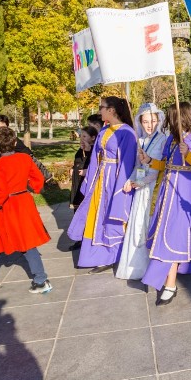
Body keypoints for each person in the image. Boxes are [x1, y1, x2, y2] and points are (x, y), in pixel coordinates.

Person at [0, 127, 53, 294]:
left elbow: (0, 192)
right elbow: (38, 180)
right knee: (27, 242)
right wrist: (30, 188)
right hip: (24, 203)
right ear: (15, 142)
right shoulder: (25, 158)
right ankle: (40, 280)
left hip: (7, 207)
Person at [141, 102, 191, 305]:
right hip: (167, 189)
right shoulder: (172, 139)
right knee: (182, 232)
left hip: (185, 193)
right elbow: (165, 164)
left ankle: (170, 284)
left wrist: (188, 154)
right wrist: (148, 161)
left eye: (171, 117)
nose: (167, 121)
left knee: (174, 234)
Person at [67, 97, 137, 272]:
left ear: (112, 110)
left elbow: (127, 162)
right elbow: (97, 156)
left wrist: (120, 187)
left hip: (115, 180)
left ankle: (113, 254)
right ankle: (99, 255)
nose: (99, 111)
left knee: (111, 217)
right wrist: (91, 179)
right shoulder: (105, 129)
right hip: (101, 179)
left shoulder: (127, 132)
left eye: (102, 108)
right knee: (97, 216)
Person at [0, 114, 51, 224]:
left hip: (11, 185)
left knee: (12, 219)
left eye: (1, 127)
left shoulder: (13, 141)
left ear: (7, 128)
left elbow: (30, 158)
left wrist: (46, 174)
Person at [115, 103, 167, 281]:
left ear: (159, 120)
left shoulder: (163, 140)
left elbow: (161, 167)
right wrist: (130, 180)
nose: (149, 125)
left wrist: (141, 182)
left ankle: (155, 267)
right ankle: (137, 266)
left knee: (151, 224)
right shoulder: (141, 140)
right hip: (140, 189)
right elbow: (138, 166)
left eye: (153, 121)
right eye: (145, 121)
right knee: (138, 225)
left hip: (154, 188)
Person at [70, 126, 98, 210]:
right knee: (77, 204)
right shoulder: (81, 150)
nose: (82, 138)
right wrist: (73, 168)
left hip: (85, 181)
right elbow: (77, 161)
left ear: (93, 137)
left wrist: (88, 150)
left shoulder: (95, 150)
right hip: (77, 180)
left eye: (85, 136)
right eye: (81, 136)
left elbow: (94, 163)